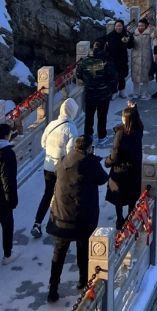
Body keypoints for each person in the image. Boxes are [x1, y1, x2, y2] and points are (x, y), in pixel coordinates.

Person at [46, 135, 108, 301]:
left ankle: (53, 289)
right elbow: (103, 179)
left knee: (58, 255)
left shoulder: (63, 161)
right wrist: (94, 160)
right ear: (89, 148)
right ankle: (83, 281)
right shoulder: (90, 163)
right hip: (82, 218)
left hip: (61, 217)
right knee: (83, 250)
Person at [31, 98, 79, 239]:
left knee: (47, 194)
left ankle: (37, 223)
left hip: (48, 166)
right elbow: (71, 152)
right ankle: (59, 223)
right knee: (62, 195)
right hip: (62, 168)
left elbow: (43, 143)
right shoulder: (71, 128)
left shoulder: (52, 124)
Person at [104, 106, 144, 229]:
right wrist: (134, 109)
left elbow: (115, 154)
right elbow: (139, 121)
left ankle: (120, 219)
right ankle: (130, 218)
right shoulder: (138, 129)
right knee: (132, 196)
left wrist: (107, 161)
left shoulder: (121, 134)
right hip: (135, 169)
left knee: (119, 197)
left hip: (120, 171)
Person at [76, 40, 117, 145]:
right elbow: (113, 76)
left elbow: (78, 74)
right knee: (102, 116)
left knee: (89, 116)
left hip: (90, 93)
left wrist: (88, 81)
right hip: (103, 93)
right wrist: (111, 89)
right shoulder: (106, 61)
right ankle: (101, 136)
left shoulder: (84, 61)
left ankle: (88, 136)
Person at [0, 123, 18, 265]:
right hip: (2, 197)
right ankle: (7, 254)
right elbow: (8, 178)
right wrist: (11, 199)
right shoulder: (7, 153)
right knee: (7, 224)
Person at [105, 20, 133, 98]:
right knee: (113, 77)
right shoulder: (110, 35)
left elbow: (130, 46)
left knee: (122, 76)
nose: (118, 27)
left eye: (120, 26)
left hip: (122, 59)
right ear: (115, 27)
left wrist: (130, 37)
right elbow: (106, 48)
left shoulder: (125, 35)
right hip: (112, 60)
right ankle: (114, 92)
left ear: (123, 26)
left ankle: (122, 91)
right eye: (117, 26)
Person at [130, 18, 154, 99]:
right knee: (135, 76)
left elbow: (155, 35)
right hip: (135, 57)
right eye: (139, 25)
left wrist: (152, 28)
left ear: (145, 26)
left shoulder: (149, 33)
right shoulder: (134, 33)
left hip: (146, 56)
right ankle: (135, 93)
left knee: (145, 75)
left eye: (142, 26)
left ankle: (144, 93)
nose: (140, 27)